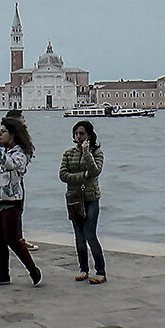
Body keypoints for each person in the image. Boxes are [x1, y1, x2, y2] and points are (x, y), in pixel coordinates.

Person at [0, 117, 42, 286]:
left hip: (11, 201)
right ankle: (3, 273)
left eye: (3, 132)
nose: (0, 135)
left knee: (13, 239)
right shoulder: (3, 152)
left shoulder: (21, 153)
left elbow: (10, 166)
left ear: (13, 134)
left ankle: (33, 270)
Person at [59, 120, 106, 283]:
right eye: (76, 134)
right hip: (73, 199)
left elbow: (95, 171)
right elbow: (63, 175)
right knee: (79, 235)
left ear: (89, 136)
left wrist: (87, 154)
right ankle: (83, 268)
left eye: (82, 134)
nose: (79, 137)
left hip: (91, 198)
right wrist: (82, 176)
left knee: (90, 234)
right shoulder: (68, 153)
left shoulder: (97, 153)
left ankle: (100, 271)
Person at [2, 110, 38, 251]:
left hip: (16, 179)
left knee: (15, 210)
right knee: (11, 210)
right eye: (21, 118)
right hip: (8, 181)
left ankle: (15, 237)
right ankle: (16, 239)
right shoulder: (7, 139)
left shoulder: (20, 139)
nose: (24, 119)